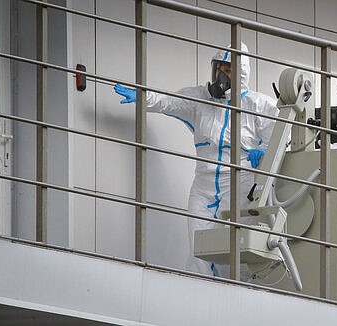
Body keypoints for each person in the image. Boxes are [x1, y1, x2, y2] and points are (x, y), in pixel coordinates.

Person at [114, 42, 279, 278]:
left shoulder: (258, 105)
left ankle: (239, 289)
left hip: (239, 182)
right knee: (197, 240)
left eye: (228, 69)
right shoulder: (201, 100)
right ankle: (200, 286)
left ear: (241, 73)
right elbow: (167, 102)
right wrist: (142, 96)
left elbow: (284, 134)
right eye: (218, 68)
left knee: (235, 241)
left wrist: (262, 149)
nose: (221, 74)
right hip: (202, 184)